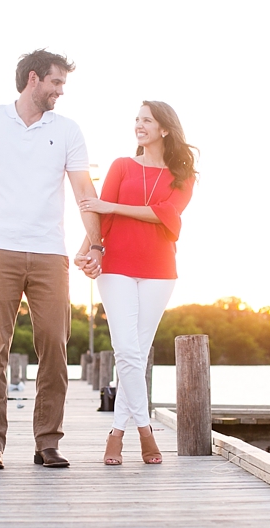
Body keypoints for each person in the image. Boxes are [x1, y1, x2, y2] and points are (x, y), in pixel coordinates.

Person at [0, 49, 103, 470]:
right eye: (56, 83)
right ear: (33, 79)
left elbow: (84, 191)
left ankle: (47, 442)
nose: (60, 91)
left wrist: (96, 243)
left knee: (55, 345)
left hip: (49, 253)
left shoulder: (68, 130)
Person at [75, 101, 197, 465]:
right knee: (127, 350)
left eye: (147, 120)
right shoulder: (121, 166)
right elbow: (98, 210)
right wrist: (88, 251)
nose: (139, 125)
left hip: (160, 270)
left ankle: (116, 433)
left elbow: (166, 215)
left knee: (136, 354)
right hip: (116, 267)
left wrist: (112, 207)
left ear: (164, 129)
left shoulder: (183, 176)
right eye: (137, 120)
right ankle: (144, 433)